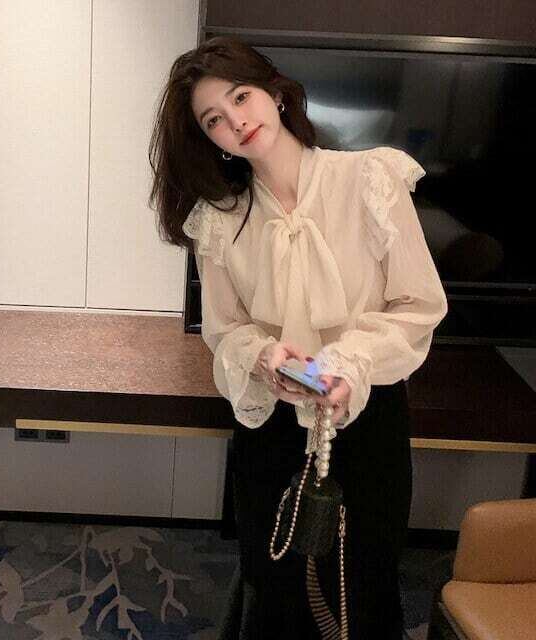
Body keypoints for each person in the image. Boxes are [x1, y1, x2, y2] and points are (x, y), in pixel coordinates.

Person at [148, 36, 448, 640]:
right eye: (214, 119)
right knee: (275, 581)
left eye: (241, 97)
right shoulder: (219, 220)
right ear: (211, 140)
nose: (236, 121)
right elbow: (224, 330)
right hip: (274, 427)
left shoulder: (370, 179)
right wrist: (264, 355)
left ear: (276, 93)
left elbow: (418, 305)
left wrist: (350, 362)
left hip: (367, 420)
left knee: (363, 583)